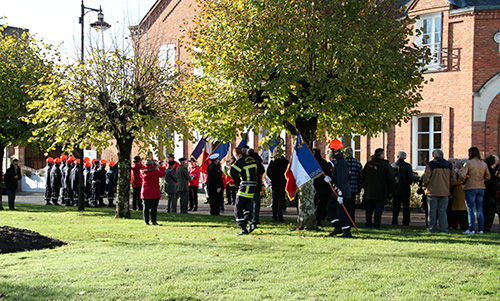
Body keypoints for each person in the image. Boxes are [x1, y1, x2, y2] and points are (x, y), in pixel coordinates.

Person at [324, 140, 353, 238]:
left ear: (335, 151)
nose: (330, 153)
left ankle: (347, 231)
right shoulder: (338, 162)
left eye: (331, 150)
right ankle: (337, 227)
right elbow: (337, 178)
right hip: (338, 190)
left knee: (342, 212)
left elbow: (341, 180)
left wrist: (340, 195)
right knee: (330, 207)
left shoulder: (341, 163)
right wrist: (330, 179)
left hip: (341, 191)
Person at [459, 147, 490, 234]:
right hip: (481, 187)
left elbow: (462, 175)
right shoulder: (483, 164)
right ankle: (481, 229)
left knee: (471, 209)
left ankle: (471, 229)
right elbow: (488, 176)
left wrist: (464, 181)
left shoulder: (468, 163)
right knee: (480, 209)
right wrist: (481, 180)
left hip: (470, 187)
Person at [422, 149, 454, 233]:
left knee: (432, 211)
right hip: (445, 191)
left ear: (434, 155)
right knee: (443, 211)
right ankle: (444, 229)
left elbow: (426, 178)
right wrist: (448, 186)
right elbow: (453, 179)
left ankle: (431, 228)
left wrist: (424, 186)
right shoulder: (449, 165)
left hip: (432, 191)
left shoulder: (431, 165)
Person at [362, 148, 395, 229]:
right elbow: (391, 178)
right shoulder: (385, 165)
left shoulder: (369, 164)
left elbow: (363, 177)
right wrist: (391, 191)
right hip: (381, 191)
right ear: (381, 155)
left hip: (369, 190)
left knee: (369, 208)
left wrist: (365, 187)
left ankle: (368, 224)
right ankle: (376, 224)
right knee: (378, 209)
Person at [230, 147, 260, 235]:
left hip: (245, 186)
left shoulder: (240, 161)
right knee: (247, 206)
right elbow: (261, 169)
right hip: (253, 187)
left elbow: (232, 173)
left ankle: (243, 228)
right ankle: (251, 222)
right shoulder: (251, 159)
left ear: (235, 154)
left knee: (238, 207)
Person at [391, 151, 417, 226]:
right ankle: (406, 221)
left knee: (396, 206)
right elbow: (410, 177)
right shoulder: (407, 166)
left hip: (396, 188)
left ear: (397, 156)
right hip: (405, 188)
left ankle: (394, 221)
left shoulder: (393, 166)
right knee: (406, 207)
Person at [140, 159, 165, 225]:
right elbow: (163, 174)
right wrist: (160, 167)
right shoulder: (156, 172)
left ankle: (146, 221)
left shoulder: (143, 172)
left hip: (145, 191)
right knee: (154, 207)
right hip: (154, 191)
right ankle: (154, 221)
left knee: (145, 207)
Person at [312, 148, 332, 226]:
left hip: (314, 185)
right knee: (321, 204)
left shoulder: (311, 163)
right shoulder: (323, 162)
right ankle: (319, 218)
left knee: (313, 202)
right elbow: (328, 173)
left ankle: (314, 217)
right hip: (323, 187)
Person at [266, 153, 289, 222]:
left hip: (275, 182)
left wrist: (272, 177)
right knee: (281, 199)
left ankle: (274, 215)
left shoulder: (273, 161)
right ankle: (280, 215)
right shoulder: (285, 162)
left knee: (275, 199)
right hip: (282, 182)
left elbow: (268, 172)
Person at [448, 158, 468, 230]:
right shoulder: (460, 171)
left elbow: (457, 181)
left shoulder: (461, 172)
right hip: (459, 192)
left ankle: (462, 226)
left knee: (460, 211)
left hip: (459, 192)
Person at [344, 147, 363, 224]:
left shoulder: (343, 163)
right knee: (351, 206)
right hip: (354, 187)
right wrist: (360, 187)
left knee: (344, 206)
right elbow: (361, 176)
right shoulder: (357, 163)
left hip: (344, 188)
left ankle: (344, 220)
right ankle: (352, 220)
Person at [248, 149, 265, 225]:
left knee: (249, 203)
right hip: (256, 184)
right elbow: (262, 171)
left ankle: (249, 218)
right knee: (256, 203)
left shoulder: (246, 162)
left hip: (247, 185)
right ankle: (255, 219)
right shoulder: (257, 163)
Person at [483, 155, 498, 232]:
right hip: (489, 193)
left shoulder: (484, 168)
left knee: (483, 210)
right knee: (490, 211)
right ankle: (487, 226)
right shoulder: (491, 171)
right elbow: (492, 183)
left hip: (483, 191)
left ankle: (482, 226)